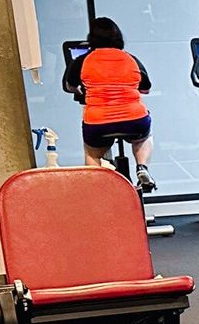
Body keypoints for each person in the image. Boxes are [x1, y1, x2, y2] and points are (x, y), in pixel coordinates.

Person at [62, 17, 156, 194]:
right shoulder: (131, 59)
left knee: (92, 153)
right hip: (134, 120)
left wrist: (83, 90)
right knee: (144, 137)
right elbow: (146, 89)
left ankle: (97, 186)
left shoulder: (82, 60)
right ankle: (142, 167)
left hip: (98, 123)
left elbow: (69, 86)